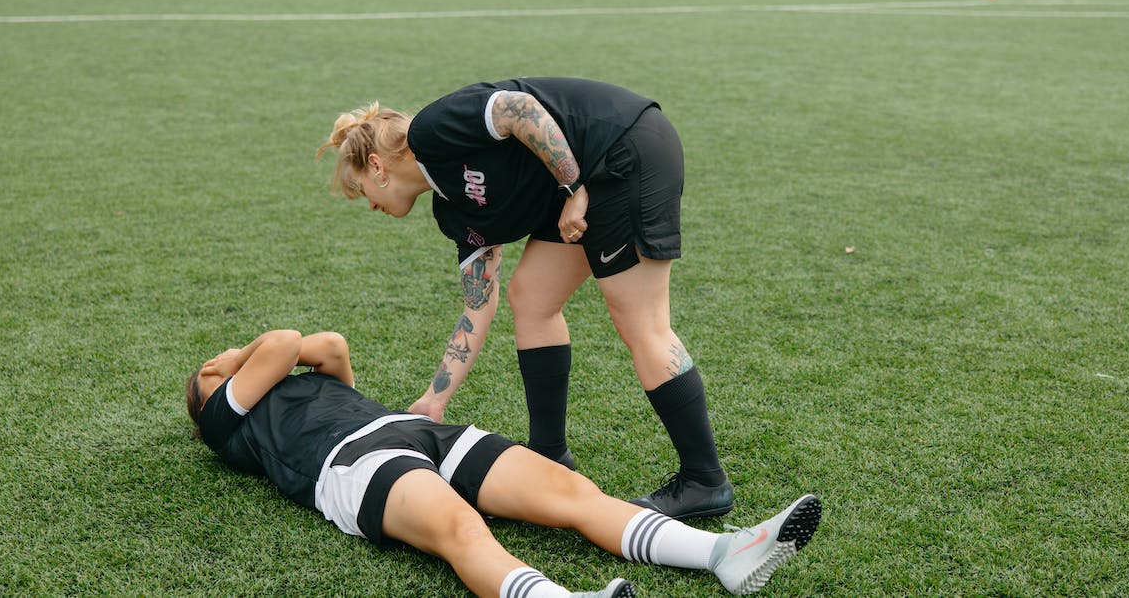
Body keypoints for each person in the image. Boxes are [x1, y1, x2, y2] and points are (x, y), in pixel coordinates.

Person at [318, 77, 731, 519]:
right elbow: (478, 306)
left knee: (641, 321)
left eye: (362, 190)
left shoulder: (430, 131)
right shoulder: (453, 211)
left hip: (622, 147)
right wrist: (433, 400)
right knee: (531, 298)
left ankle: (704, 479)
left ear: (378, 166)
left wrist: (573, 189)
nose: (371, 206)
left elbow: (518, 109)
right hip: (579, 181)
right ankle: (549, 455)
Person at [185, 329, 822, 597]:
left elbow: (330, 347)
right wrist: (237, 359)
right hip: (349, 465)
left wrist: (260, 359)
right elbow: (284, 345)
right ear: (209, 394)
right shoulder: (225, 420)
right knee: (464, 532)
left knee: (576, 494)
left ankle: (723, 553)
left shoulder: (261, 387)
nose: (220, 360)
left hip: (416, 431)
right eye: (211, 367)